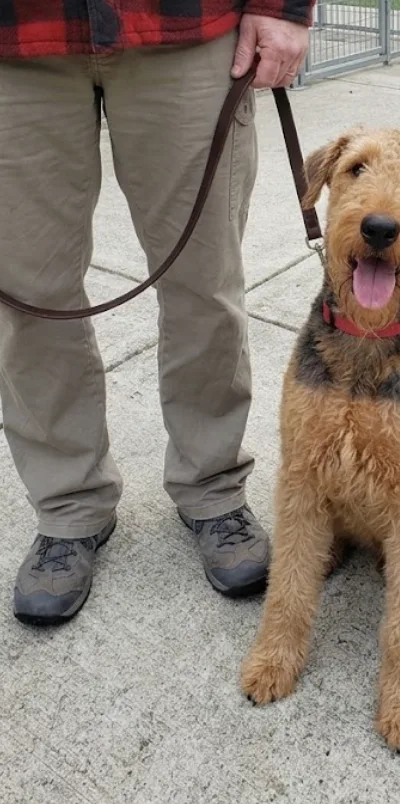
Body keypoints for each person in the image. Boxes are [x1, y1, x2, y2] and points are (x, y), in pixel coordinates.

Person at [0, 1, 312, 625]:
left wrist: (283, 7)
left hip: (187, 27)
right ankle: (69, 505)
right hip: (15, 37)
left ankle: (213, 487)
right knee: (30, 301)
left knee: (207, 284)